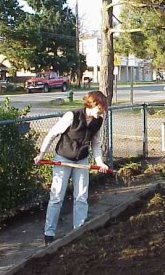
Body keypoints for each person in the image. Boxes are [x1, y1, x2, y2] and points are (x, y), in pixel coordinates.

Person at [34, 90, 109, 246]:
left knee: (81, 196)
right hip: (63, 158)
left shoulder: (98, 121)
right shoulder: (72, 116)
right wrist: (41, 154)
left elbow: (95, 143)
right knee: (57, 197)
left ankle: (79, 232)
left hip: (81, 160)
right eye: (100, 109)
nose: (102, 112)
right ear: (92, 104)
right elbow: (52, 134)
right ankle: (49, 234)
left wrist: (99, 162)